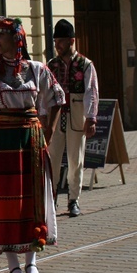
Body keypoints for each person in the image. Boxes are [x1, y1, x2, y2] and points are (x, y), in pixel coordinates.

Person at [0, 18, 63, 273]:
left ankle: (32, 261)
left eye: (2, 35)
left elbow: (57, 97)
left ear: (16, 38)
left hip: (31, 138)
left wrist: (50, 130)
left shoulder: (37, 69)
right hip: (4, 139)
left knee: (32, 198)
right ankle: (12, 265)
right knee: (6, 199)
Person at [46, 19, 99, 218]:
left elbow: (91, 92)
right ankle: (50, 198)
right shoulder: (52, 65)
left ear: (71, 41)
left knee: (76, 158)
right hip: (56, 114)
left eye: (61, 41)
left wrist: (91, 117)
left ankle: (73, 199)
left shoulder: (85, 64)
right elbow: (46, 93)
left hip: (77, 112)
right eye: (55, 41)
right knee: (52, 157)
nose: (57, 45)